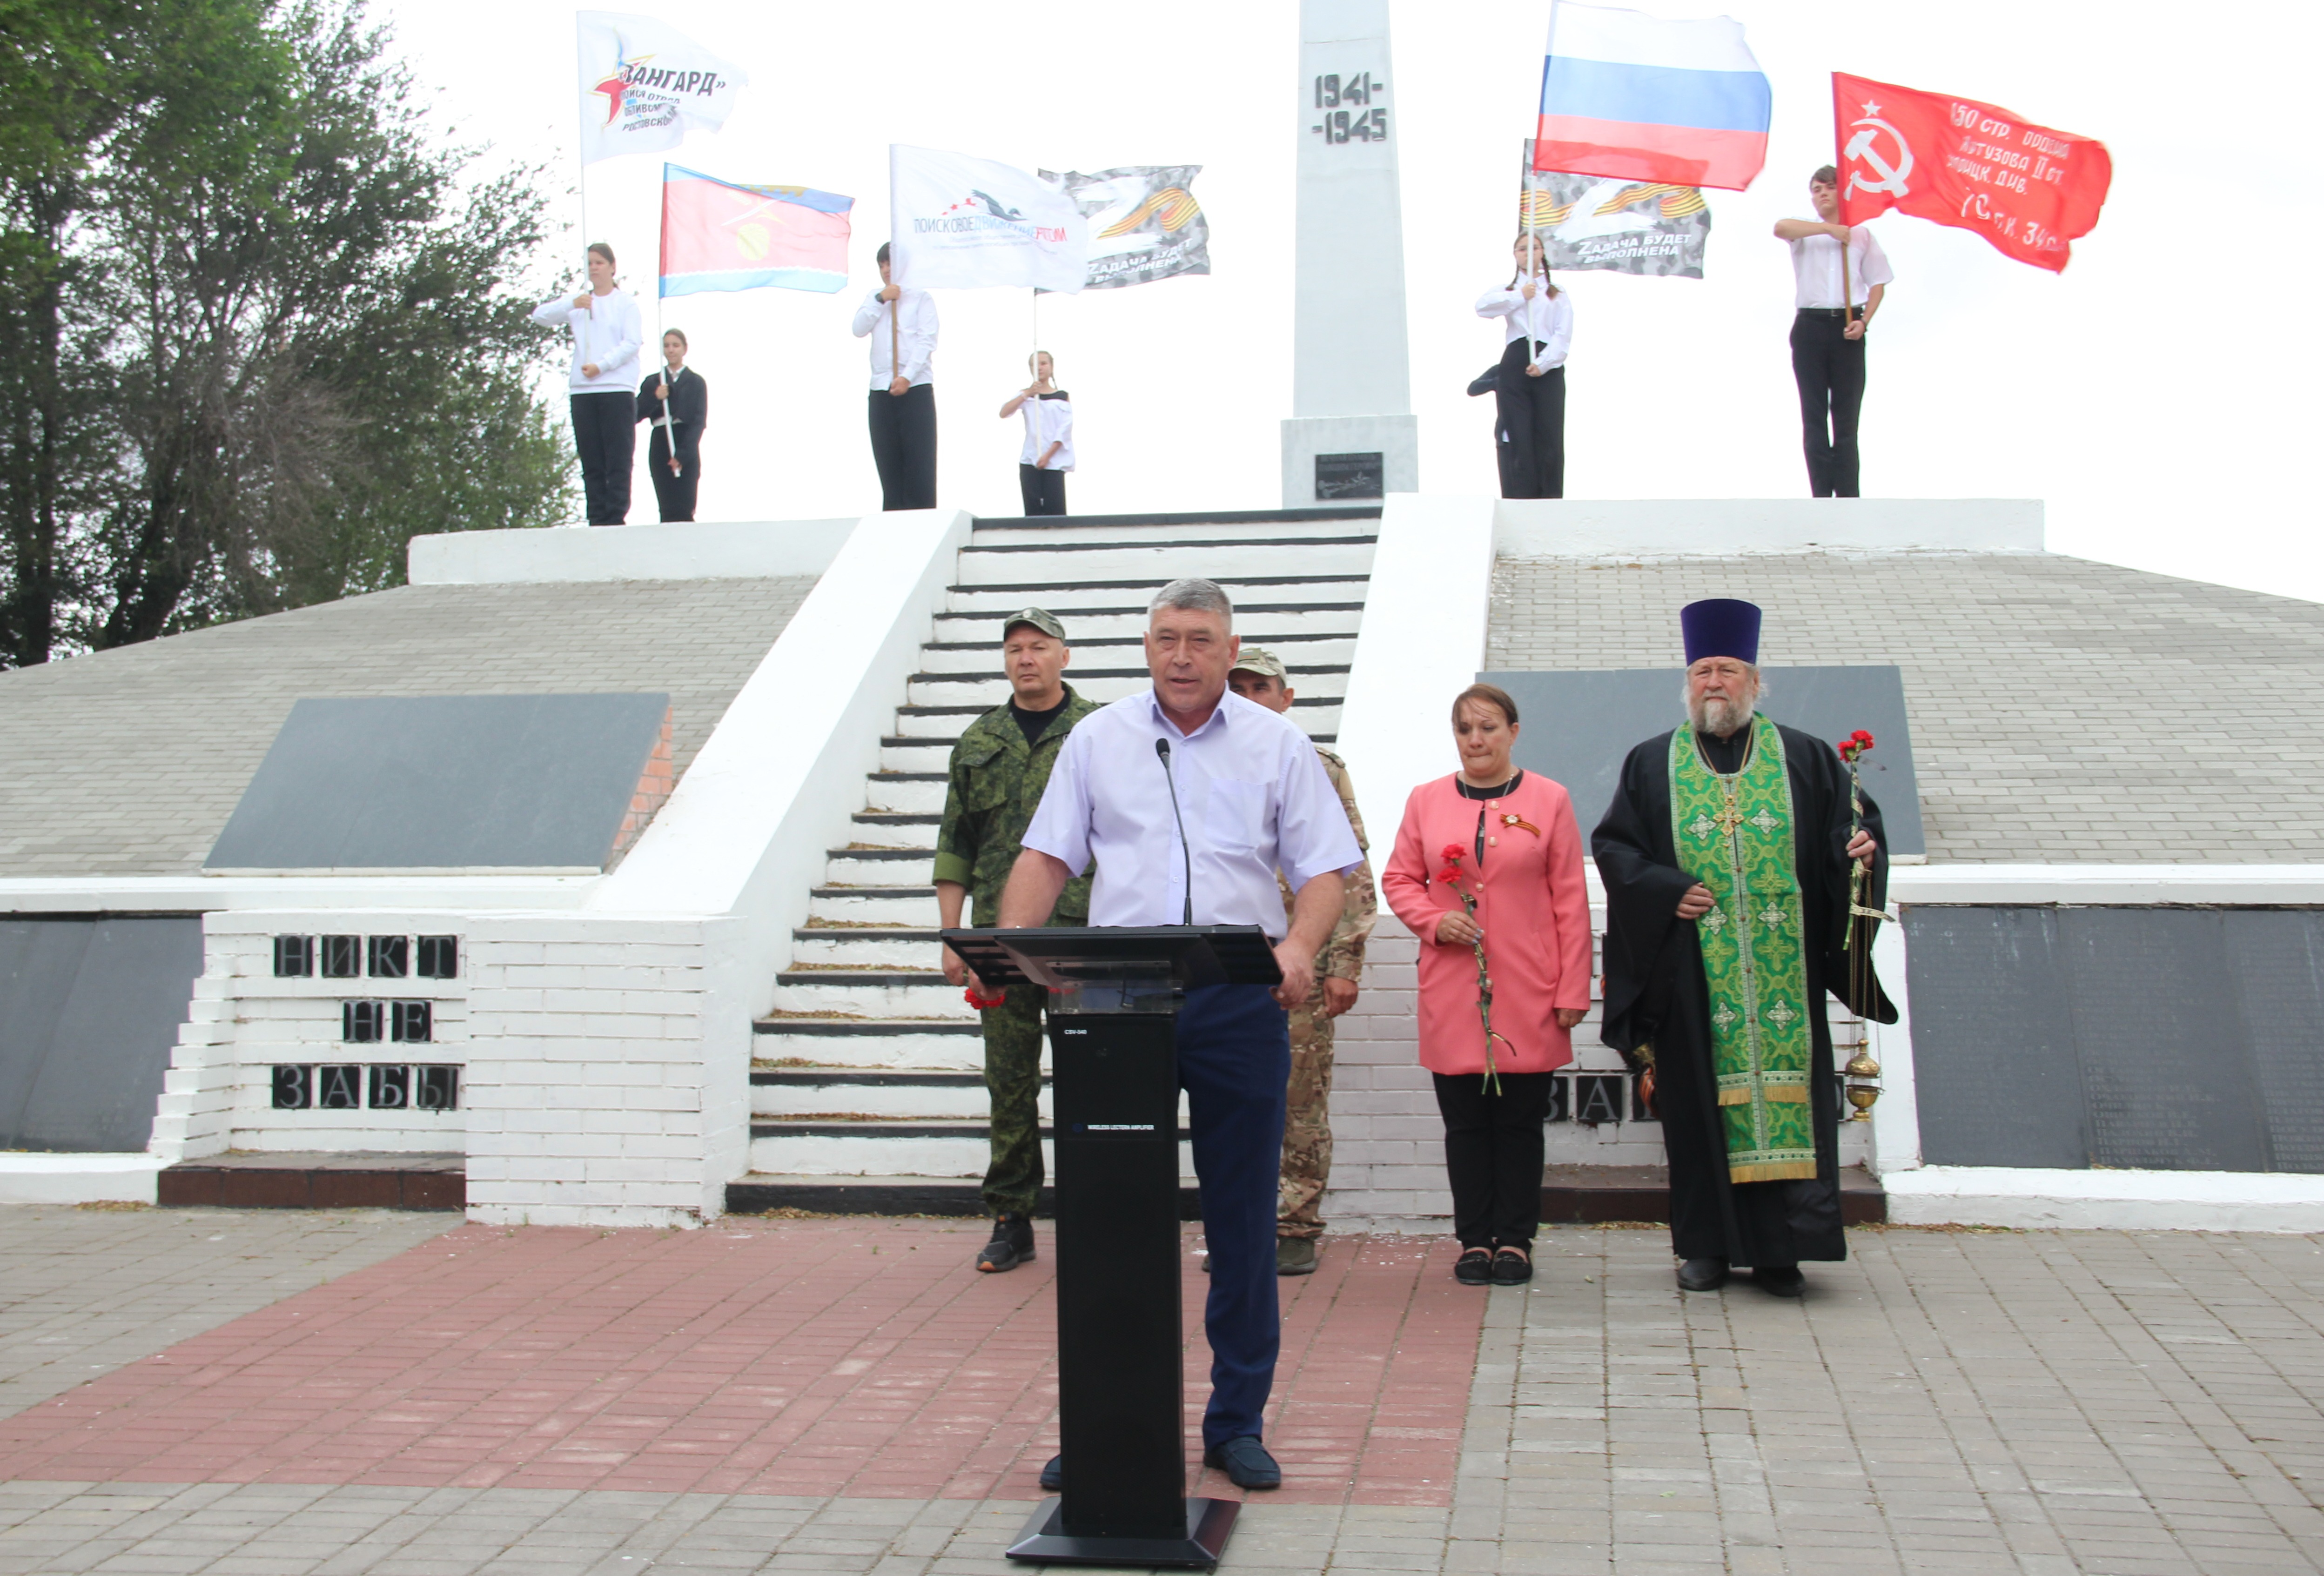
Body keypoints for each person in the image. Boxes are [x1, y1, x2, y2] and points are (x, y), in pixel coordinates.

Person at [1002, 577, 1361, 1493]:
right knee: (1111, 1216)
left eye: (1199, 638)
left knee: (1242, 1218)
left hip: (1239, 1000)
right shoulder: (1102, 738)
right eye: (1166, 637)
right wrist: (1010, 953)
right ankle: (1107, 1417)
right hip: (1124, 994)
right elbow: (1047, 856)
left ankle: (1234, 1421)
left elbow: (1325, 869)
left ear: (1228, 647)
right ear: (1147, 645)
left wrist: (1298, 945)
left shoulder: (1277, 744)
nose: (1181, 654)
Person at [1591, 599, 1896, 1298]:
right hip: (1694, 973)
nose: (1713, 682)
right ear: (1687, 681)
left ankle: (1780, 1249)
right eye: (1702, 670)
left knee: (1789, 1102)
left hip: (1784, 972)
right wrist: (1667, 888)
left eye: (1727, 669)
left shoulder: (1809, 757)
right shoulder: (1650, 762)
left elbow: (1844, 848)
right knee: (1700, 1109)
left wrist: (1857, 853)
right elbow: (1614, 847)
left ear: (1754, 681)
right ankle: (1703, 1247)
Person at [1381, 684, 1592, 1287]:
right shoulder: (1425, 799)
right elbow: (1398, 878)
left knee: (1521, 1122)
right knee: (1465, 1123)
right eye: (1465, 728)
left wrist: (1572, 986)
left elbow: (1569, 901)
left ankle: (1516, 1240)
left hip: (1530, 984)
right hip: (1452, 985)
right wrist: (1431, 918)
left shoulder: (1549, 799)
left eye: (1488, 727)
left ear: (1513, 732)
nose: (1476, 739)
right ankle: (1475, 1238)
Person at [933, 607, 1101, 1274]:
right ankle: (1011, 1215)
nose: (1025, 658)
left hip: (1085, 937)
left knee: (1091, 1076)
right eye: (1014, 649)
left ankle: (1094, 1208)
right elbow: (956, 844)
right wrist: (954, 935)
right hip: (1000, 941)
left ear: (1064, 655)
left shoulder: (1098, 731)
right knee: (1009, 1079)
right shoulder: (979, 739)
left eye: (1038, 647)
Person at [1224, 650, 1376, 1277]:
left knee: (1299, 1097)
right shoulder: (1203, 763)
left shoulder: (1320, 768)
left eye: (1262, 687)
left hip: (1300, 964)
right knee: (1231, 1098)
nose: (1250, 697)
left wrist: (1344, 959)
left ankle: (1295, 1223)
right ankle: (1242, 1223)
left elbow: (1351, 871)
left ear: (1286, 698)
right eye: (1239, 687)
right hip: (1228, 961)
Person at [1774, 166, 1895, 498]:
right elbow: (1780, 227)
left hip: (1847, 326)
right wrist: (1828, 230)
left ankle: (1847, 496)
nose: (1823, 194)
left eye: (1829, 188)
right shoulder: (1807, 232)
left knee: (1845, 419)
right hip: (1810, 326)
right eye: (1817, 189)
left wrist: (1864, 320)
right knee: (1813, 416)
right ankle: (1820, 495)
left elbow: (1878, 283)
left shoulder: (1861, 235)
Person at [532, 241, 644, 526]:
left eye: (599, 263)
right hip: (583, 391)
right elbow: (539, 317)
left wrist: (602, 365)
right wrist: (572, 303)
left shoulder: (625, 304)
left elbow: (631, 343)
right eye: (590, 263)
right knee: (591, 458)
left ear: (612, 267)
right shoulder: (579, 303)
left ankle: (616, 516)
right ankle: (596, 516)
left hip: (616, 388)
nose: (594, 268)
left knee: (618, 459)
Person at [1475, 234, 1572, 499]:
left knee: (1549, 434)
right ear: (1515, 255)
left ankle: (1549, 498)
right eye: (1522, 249)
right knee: (1518, 433)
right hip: (1516, 358)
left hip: (1547, 362)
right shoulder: (1507, 290)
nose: (1528, 253)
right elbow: (1483, 308)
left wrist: (1544, 363)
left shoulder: (1558, 293)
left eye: (1534, 248)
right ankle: (1521, 496)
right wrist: (1521, 295)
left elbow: (1563, 337)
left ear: (1542, 253)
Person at [850, 241, 938, 510]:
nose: (886, 270)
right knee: (888, 464)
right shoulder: (875, 298)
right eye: (882, 265)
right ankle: (893, 519)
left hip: (915, 388)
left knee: (919, 465)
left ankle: (922, 521)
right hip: (881, 389)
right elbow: (858, 328)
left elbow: (927, 341)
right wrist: (881, 299)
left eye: (891, 263)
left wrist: (907, 377)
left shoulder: (921, 298)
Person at [635, 329, 706, 523]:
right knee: (667, 504)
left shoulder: (696, 382)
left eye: (676, 346)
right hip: (661, 438)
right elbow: (635, 414)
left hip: (685, 440)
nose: (671, 350)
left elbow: (699, 422)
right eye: (667, 346)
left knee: (685, 504)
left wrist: (683, 454)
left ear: (684, 349)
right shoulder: (653, 381)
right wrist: (654, 398)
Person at [998, 351, 1073, 516]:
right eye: (1035, 364)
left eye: (1044, 363)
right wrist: (1028, 394)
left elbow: (1064, 430)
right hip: (1030, 458)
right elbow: (1004, 413)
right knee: (1032, 512)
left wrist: (1048, 455)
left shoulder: (1061, 397)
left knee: (1056, 510)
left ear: (1052, 367)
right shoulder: (1027, 395)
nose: (1039, 367)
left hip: (1054, 461)